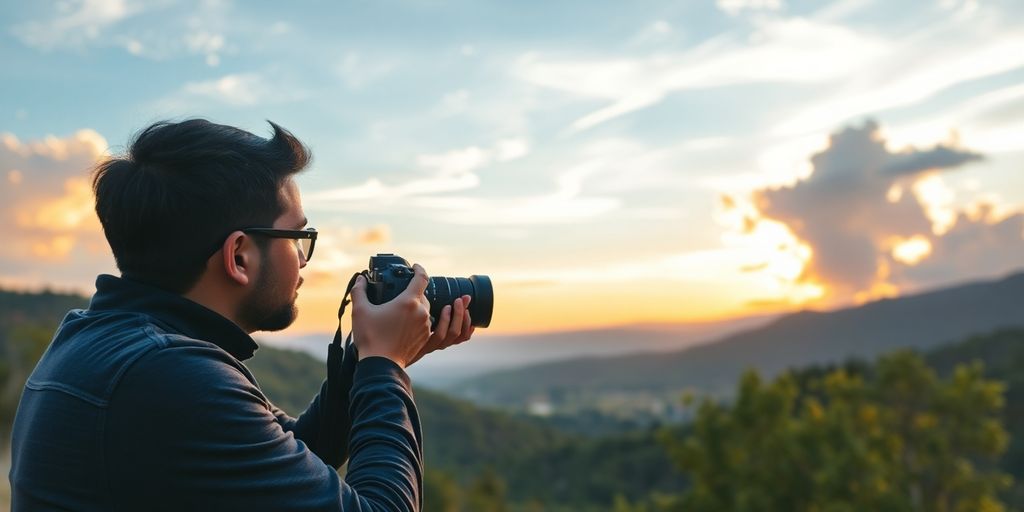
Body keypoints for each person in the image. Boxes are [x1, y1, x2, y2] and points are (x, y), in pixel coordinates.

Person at [8, 119, 474, 511]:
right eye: (297, 237)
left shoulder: (104, 339)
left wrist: (367, 357)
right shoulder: (171, 376)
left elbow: (291, 455)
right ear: (239, 256)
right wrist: (384, 366)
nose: (303, 258)